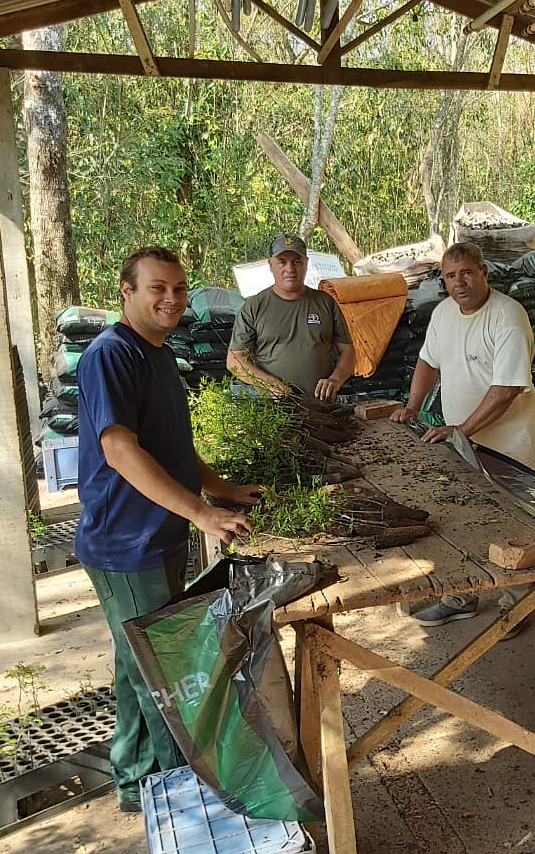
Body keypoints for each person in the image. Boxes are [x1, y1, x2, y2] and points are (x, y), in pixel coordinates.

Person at [75, 246, 261, 813]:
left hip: (160, 535)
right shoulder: (111, 356)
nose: (172, 299)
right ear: (126, 293)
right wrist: (203, 514)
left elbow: (173, 448)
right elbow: (120, 451)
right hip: (127, 542)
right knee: (164, 676)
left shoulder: (158, 353)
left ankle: (133, 782)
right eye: (158, 288)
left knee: (137, 660)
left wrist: (219, 488)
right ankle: (188, 796)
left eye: (179, 288)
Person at [390, 241, 535, 631]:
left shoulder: (508, 316)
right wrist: (412, 406)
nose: (459, 282)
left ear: (483, 273)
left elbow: (506, 390)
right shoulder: (444, 313)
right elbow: (428, 360)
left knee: (514, 531)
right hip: (464, 448)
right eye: (450, 275)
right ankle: (462, 595)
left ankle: (516, 604)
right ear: (443, 281)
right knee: (463, 522)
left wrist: (459, 430)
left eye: (466, 273)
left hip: (512, 451)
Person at [227, 233, 356, 401]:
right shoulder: (254, 306)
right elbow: (235, 359)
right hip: (272, 408)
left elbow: (348, 351)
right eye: (282, 262)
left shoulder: (325, 302)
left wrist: (335, 380)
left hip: (321, 406)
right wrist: (270, 384)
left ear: (306, 264)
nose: (290, 268)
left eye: (297, 261)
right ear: (271, 264)